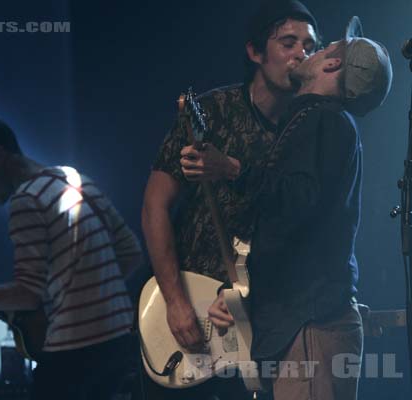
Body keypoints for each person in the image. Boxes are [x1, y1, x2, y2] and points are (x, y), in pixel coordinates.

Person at [205, 16, 392, 399]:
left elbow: (294, 202)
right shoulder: (315, 121)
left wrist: (232, 168)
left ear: (332, 64)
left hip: (310, 328)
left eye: (322, 48)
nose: (312, 51)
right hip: (302, 327)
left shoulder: (323, 121)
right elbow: (288, 228)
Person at [141, 0, 320, 398]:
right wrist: (175, 301)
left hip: (263, 312)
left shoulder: (310, 126)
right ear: (256, 52)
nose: (300, 54)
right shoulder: (213, 111)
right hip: (193, 304)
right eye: (288, 43)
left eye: (309, 45)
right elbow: (155, 205)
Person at [0, 116, 143, 400]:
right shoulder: (77, 179)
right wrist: (96, 295)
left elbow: (26, 294)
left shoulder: (26, 200)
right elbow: (131, 253)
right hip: (120, 345)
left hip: (74, 354)